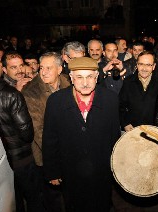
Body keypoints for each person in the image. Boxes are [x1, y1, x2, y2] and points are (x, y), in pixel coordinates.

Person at [42, 57, 120, 211]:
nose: (85, 83)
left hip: (101, 171)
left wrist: (116, 167)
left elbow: (114, 136)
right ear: (71, 78)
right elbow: (50, 139)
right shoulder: (56, 101)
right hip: (70, 171)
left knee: (102, 204)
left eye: (90, 77)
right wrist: (52, 171)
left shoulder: (110, 99)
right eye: (79, 77)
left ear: (97, 77)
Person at [22, 52, 70, 212]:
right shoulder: (31, 92)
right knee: (53, 198)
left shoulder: (68, 83)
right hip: (47, 155)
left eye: (49, 68)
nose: (43, 72)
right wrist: (57, 159)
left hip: (69, 150)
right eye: (42, 68)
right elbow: (39, 131)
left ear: (59, 69)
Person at [0, 77, 44, 212]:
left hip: (3, 160)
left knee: (13, 201)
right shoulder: (10, 94)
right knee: (33, 197)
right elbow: (27, 133)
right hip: (22, 158)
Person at [119, 51, 158, 132]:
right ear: (137, 65)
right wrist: (125, 123)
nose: (144, 68)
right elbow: (121, 106)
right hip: (133, 130)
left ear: (154, 66)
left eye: (148, 65)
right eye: (141, 64)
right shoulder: (128, 82)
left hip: (155, 131)